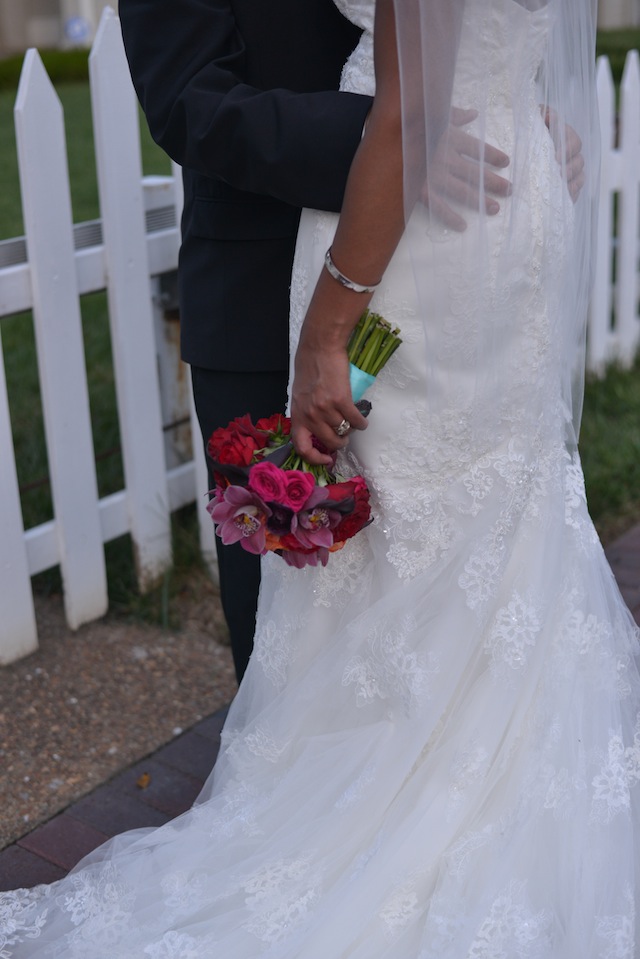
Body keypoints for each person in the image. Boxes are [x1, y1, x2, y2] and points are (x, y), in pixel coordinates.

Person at [2, 0, 638, 954]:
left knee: (469, 542)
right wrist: (421, 128)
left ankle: (414, 835)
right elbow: (193, 104)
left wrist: (438, 120)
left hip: (429, 250)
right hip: (285, 259)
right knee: (307, 608)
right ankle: (357, 817)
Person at [118, 0, 578, 682]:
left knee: (478, 555)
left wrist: (491, 108)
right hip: (259, 280)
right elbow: (187, 99)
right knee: (288, 623)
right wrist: (389, 140)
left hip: (446, 264)